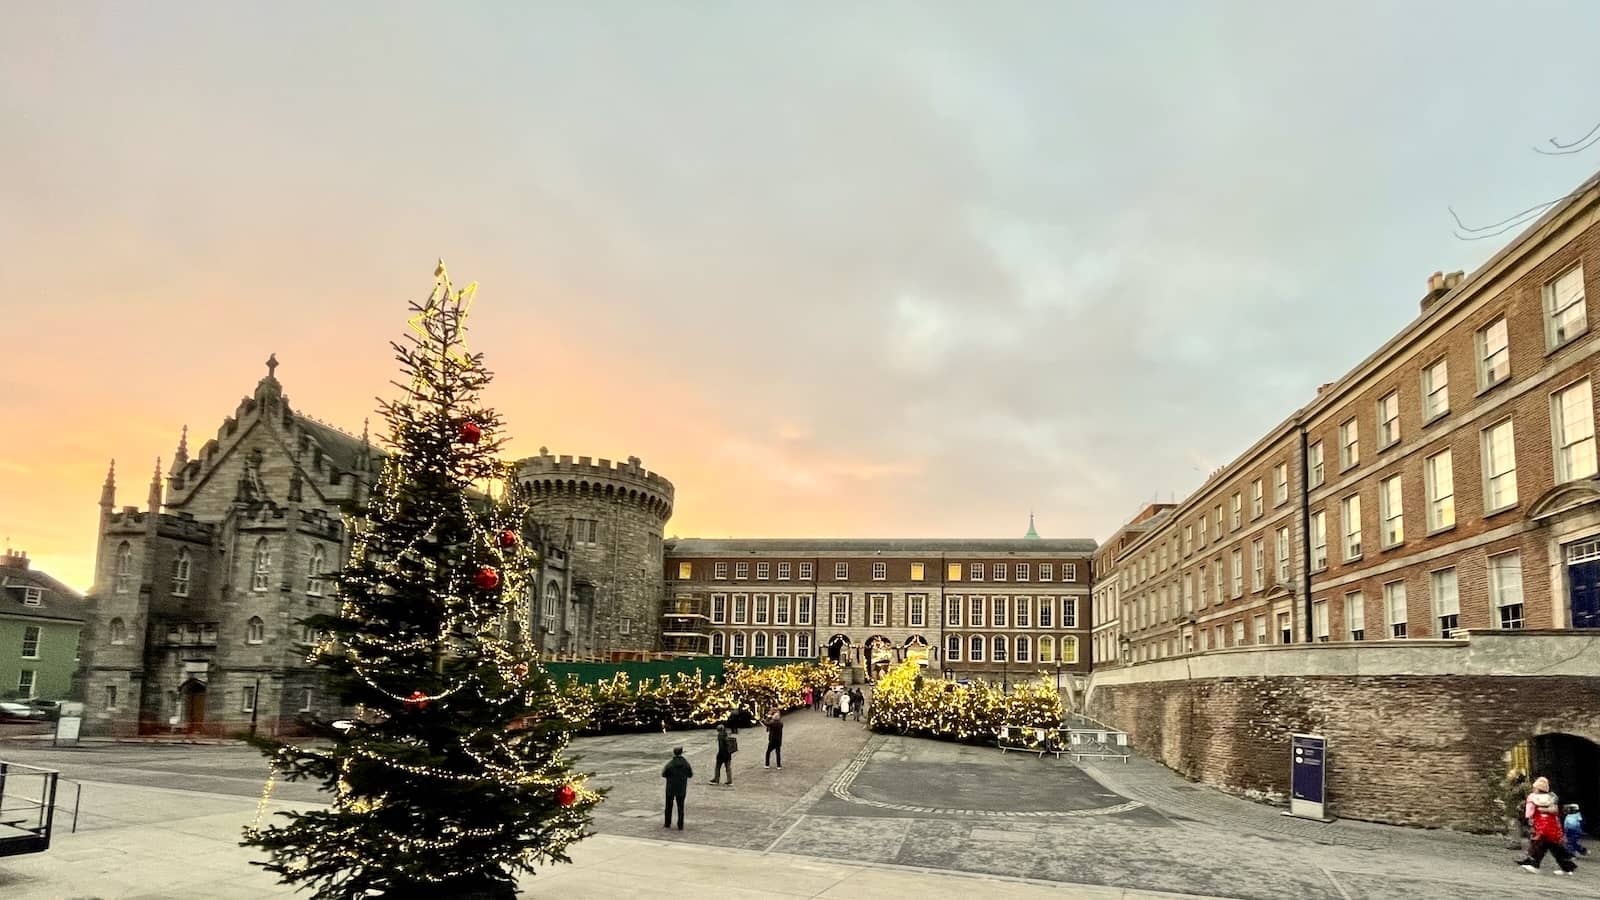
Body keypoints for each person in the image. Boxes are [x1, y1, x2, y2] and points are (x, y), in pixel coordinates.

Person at [1517, 777, 1578, 875]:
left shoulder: (1534, 798)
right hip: (1552, 827)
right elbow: (1555, 810)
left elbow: (1530, 812)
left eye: (1535, 788)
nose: (1533, 789)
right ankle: (1568, 867)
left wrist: (1530, 818)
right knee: (1554, 848)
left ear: (1537, 789)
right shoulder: (1551, 798)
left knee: (1540, 845)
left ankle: (1534, 864)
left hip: (1544, 828)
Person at [661, 746, 692, 830]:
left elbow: (664, 774)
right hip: (681, 788)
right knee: (681, 807)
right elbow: (690, 774)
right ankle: (680, 825)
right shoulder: (686, 763)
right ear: (681, 752)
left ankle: (667, 823)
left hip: (670, 788)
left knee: (668, 806)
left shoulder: (670, 764)